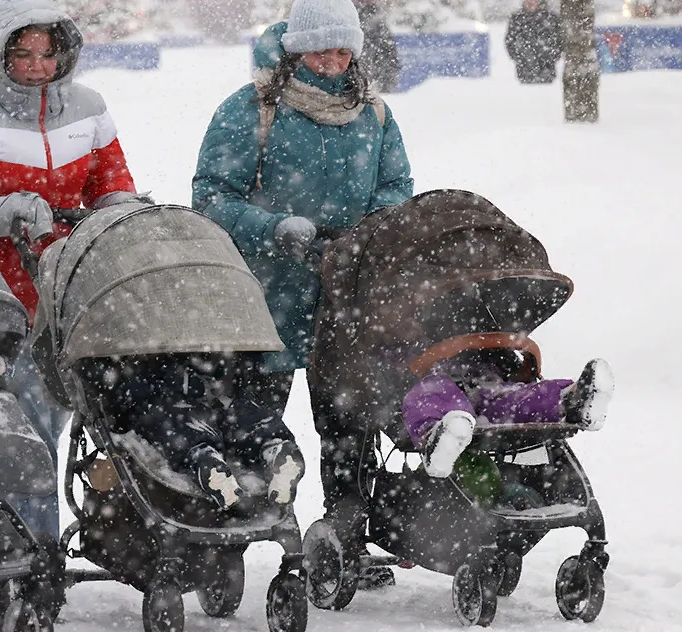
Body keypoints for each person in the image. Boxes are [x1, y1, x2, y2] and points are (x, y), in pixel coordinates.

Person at [193, 0, 412, 586]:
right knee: (252, 426)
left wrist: (365, 236)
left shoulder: (375, 115)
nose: (333, 61)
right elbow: (210, 198)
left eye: (343, 51)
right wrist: (275, 228)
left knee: (348, 428)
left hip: (346, 295)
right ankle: (230, 548)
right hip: (263, 296)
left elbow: (396, 188)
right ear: (293, 49)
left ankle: (345, 539)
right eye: (320, 49)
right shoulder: (252, 109)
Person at [0, 0, 143, 537]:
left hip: (72, 284)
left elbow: (110, 177)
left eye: (47, 53)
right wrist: (1, 211)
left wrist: (119, 209)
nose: (38, 66)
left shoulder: (88, 105)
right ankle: (33, 548)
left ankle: (94, 529)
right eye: (23, 54)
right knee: (29, 419)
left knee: (80, 413)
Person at [83, 353, 304, 511]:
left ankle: (204, 458)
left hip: (162, 396)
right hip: (205, 380)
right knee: (242, 415)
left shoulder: (129, 358)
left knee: (176, 428)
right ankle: (274, 445)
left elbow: (121, 393)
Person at [405, 352, 614, 477]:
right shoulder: (406, 344)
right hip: (440, 394)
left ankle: (568, 400)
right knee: (432, 392)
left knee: (518, 395)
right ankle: (436, 436)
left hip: (478, 396)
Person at [505, 0, 561, 84]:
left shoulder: (550, 18)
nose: (531, 2)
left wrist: (551, 57)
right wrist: (520, 58)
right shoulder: (517, 18)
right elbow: (510, 41)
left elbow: (559, 41)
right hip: (524, 70)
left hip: (547, 70)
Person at [354, 0, 400, 92]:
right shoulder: (349, 18)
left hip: (368, 78)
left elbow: (389, 54)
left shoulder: (378, 22)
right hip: (356, 78)